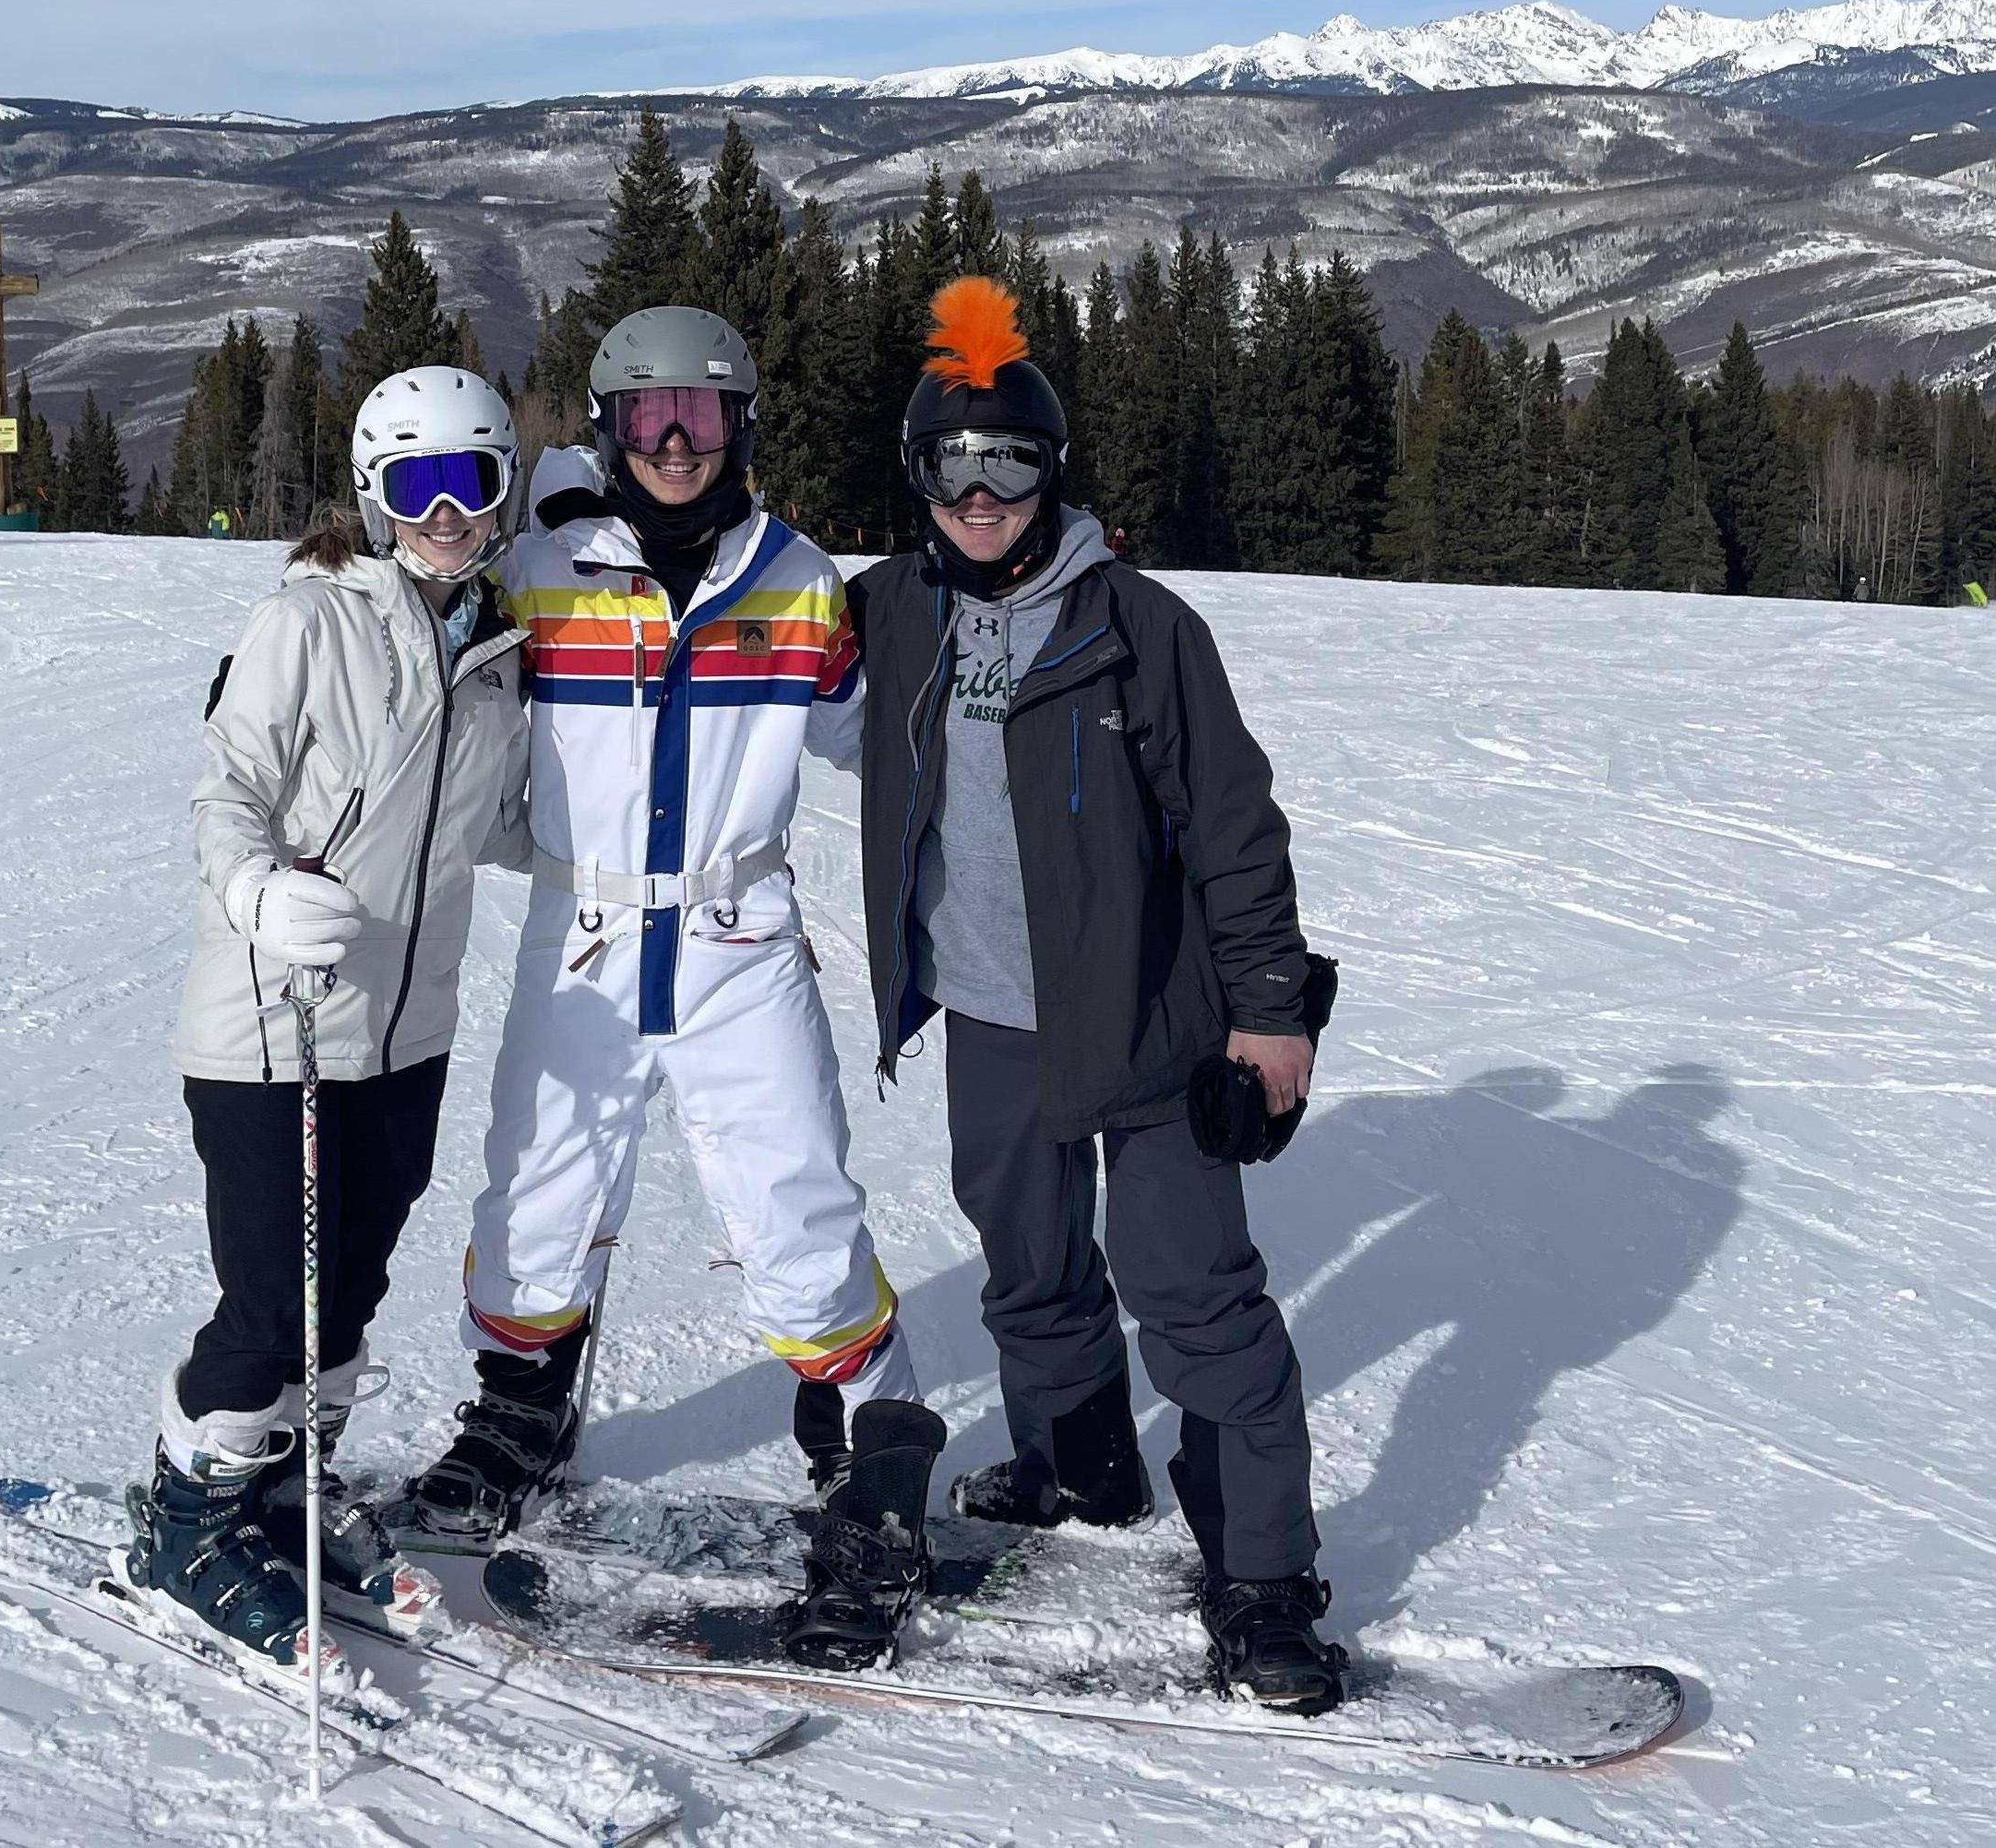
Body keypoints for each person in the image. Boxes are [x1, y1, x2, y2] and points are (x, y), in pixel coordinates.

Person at [399, 306, 938, 1669]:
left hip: (734, 931)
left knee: (792, 1191)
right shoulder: (540, 569)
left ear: (741, 423)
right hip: (578, 931)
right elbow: (427, 678)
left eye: (701, 415)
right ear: (608, 428)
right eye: (648, 418)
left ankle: (860, 1443)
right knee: (537, 1182)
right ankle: (521, 1412)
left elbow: (889, 744)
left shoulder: (797, 578)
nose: (678, 442)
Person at [845, 276, 1345, 1714]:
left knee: (1195, 1300)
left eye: (1009, 463)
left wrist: (1270, 1012)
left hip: (1153, 1017)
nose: (981, 491)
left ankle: (1262, 1575)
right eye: (954, 464)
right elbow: (731, 609)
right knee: (1031, 1265)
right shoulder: (890, 615)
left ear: (1049, 475)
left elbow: (1236, 832)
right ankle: (1077, 1464)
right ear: (920, 480)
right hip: (994, 1015)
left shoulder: (1138, 626)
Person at [126, 367, 531, 1668]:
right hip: (275, 1025)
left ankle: (286, 1484)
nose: (446, 511)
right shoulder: (308, 619)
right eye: (416, 486)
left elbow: (504, 825)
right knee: (268, 1306)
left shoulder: (496, 652)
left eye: (470, 480)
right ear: (374, 494)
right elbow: (226, 786)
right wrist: (254, 887)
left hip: (404, 1032)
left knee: (347, 1289)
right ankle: (183, 1520)